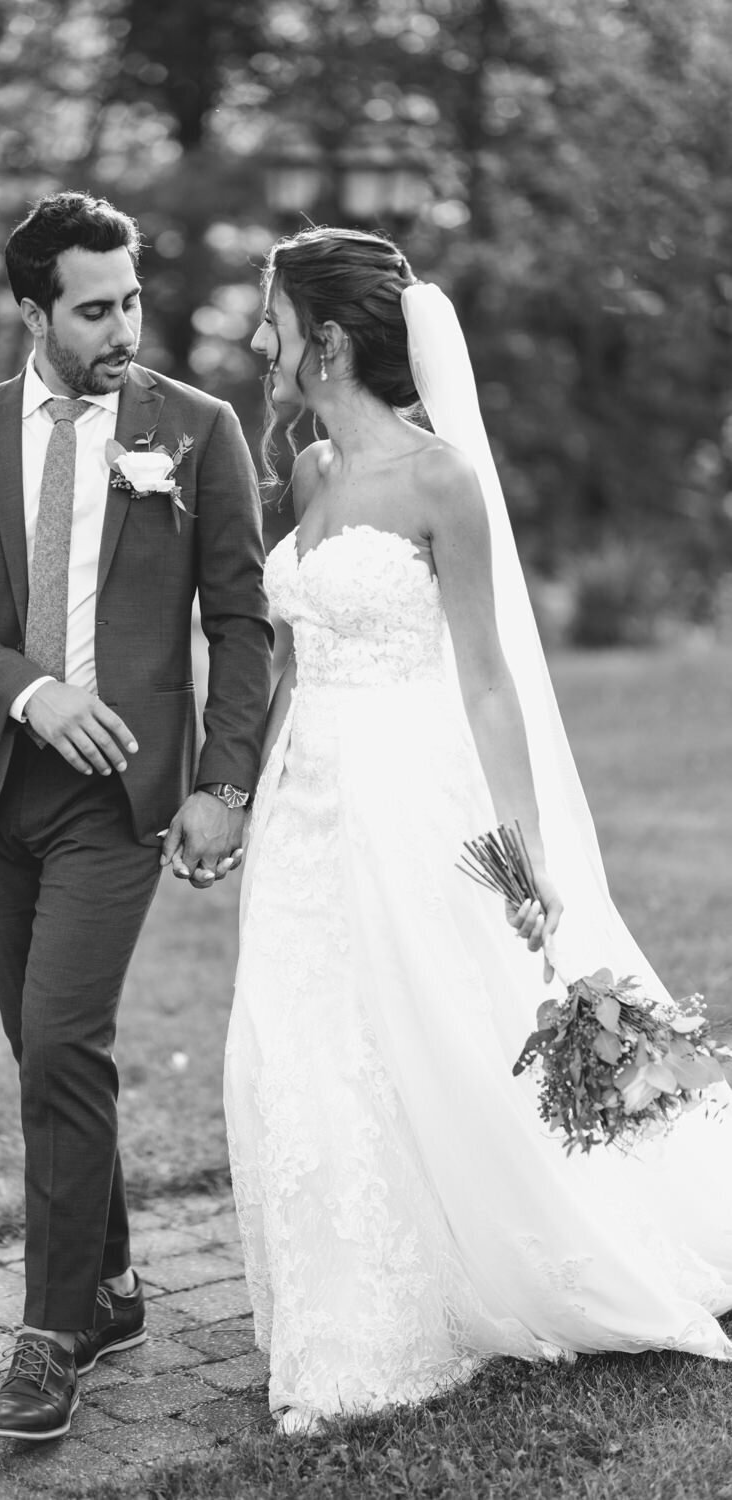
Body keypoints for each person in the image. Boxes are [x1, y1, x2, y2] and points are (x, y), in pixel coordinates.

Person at [224, 226, 732, 1433]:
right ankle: (350, 1296)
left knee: (435, 1026)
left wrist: (524, 843)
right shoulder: (300, 473)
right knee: (303, 1036)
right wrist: (245, 788)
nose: (258, 339)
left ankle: (499, 1265)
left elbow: (492, 679)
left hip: (411, 785)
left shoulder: (440, 478)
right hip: (309, 798)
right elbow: (290, 660)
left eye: (270, 319)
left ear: (328, 340)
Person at [0, 191, 272, 1441]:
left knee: (60, 1041)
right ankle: (106, 1285)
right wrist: (32, 692)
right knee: (43, 1051)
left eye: (131, 302)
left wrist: (222, 784)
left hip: (120, 804)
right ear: (31, 310)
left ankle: (48, 1335)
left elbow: (240, 621)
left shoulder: (198, 431)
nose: (122, 328)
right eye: (93, 308)